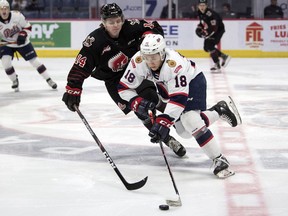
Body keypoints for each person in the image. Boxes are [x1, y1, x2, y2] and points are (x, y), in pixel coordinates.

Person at [61, 3, 186, 157]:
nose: (116, 25)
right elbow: (81, 65)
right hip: (114, 81)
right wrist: (73, 88)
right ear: (103, 22)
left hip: (136, 72)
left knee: (153, 99)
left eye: (118, 21)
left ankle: (177, 121)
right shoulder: (95, 40)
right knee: (141, 110)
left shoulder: (131, 26)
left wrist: (147, 38)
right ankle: (167, 139)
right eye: (111, 22)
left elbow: (153, 26)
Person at [118, 34, 242, 178]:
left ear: (162, 53)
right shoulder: (139, 61)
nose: (150, 61)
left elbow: (178, 100)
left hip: (193, 82)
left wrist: (163, 122)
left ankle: (219, 159)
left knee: (190, 120)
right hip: (166, 86)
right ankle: (219, 110)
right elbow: (123, 88)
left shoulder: (174, 64)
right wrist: (136, 102)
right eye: (146, 56)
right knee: (185, 132)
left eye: (154, 57)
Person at [0, 0, 57, 92]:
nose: (4, 11)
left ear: (9, 9)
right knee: (6, 63)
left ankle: (49, 79)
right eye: (1, 9)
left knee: (36, 62)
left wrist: (23, 34)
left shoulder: (17, 15)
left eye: (6, 8)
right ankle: (14, 80)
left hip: (22, 42)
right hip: (7, 43)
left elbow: (28, 26)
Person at [195, 0, 231, 73]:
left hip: (218, 30)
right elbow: (202, 22)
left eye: (203, 5)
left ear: (206, 6)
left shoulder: (210, 14)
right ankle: (224, 56)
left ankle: (217, 64)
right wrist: (199, 28)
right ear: (198, 6)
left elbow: (214, 27)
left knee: (210, 46)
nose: (202, 7)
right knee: (206, 48)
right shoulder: (199, 12)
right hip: (211, 29)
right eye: (200, 5)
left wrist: (206, 32)